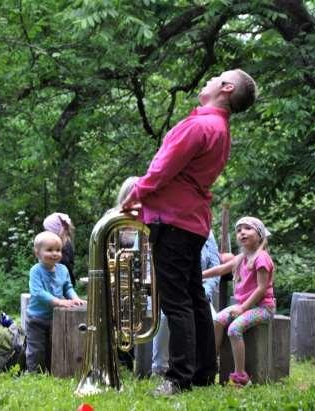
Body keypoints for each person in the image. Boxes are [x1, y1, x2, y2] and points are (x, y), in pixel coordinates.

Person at [121, 69, 258, 395]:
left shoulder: (201, 125)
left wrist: (136, 192)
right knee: (195, 298)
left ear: (226, 88)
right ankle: (202, 373)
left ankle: (178, 378)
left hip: (173, 222)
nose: (207, 79)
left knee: (176, 302)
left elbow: (163, 167)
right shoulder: (218, 128)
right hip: (189, 221)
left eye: (217, 77)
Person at [203, 216, 275, 386]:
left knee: (234, 329)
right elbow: (221, 269)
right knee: (217, 320)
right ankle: (211, 364)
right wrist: (200, 275)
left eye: (247, 228)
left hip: (263, 308)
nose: (242, 232)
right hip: (244, 305)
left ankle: (240, 376)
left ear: (259, 235)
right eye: (239, 229)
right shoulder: (242, 257)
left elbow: (261, 288)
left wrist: (242, 308)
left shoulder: (261, 258)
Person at [151, 231, 221, 376]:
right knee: (166, 316)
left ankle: (183, 374)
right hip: (163, 292)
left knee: (208, 316)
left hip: (196, 292)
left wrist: (206, 292)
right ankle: (160, 367)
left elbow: (215, 268)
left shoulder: (207, 235)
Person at [25, 231, 86, 373]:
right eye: (49, 250)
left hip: (57, 317)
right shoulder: (36, 271)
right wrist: (58, 302)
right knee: (37, 348)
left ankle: (53, 369)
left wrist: (74, 298)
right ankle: (34, 372)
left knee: (55, 345)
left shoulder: (63, 269)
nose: (55, 253)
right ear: (37, 253)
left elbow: (67, 287)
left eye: (58, 250)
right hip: (37, 318)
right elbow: (38, 293)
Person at [43, 212, 76, 286]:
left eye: (47, 230)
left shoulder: (64, 248)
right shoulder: (63, 244)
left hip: (62, 287)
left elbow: (63, 269)